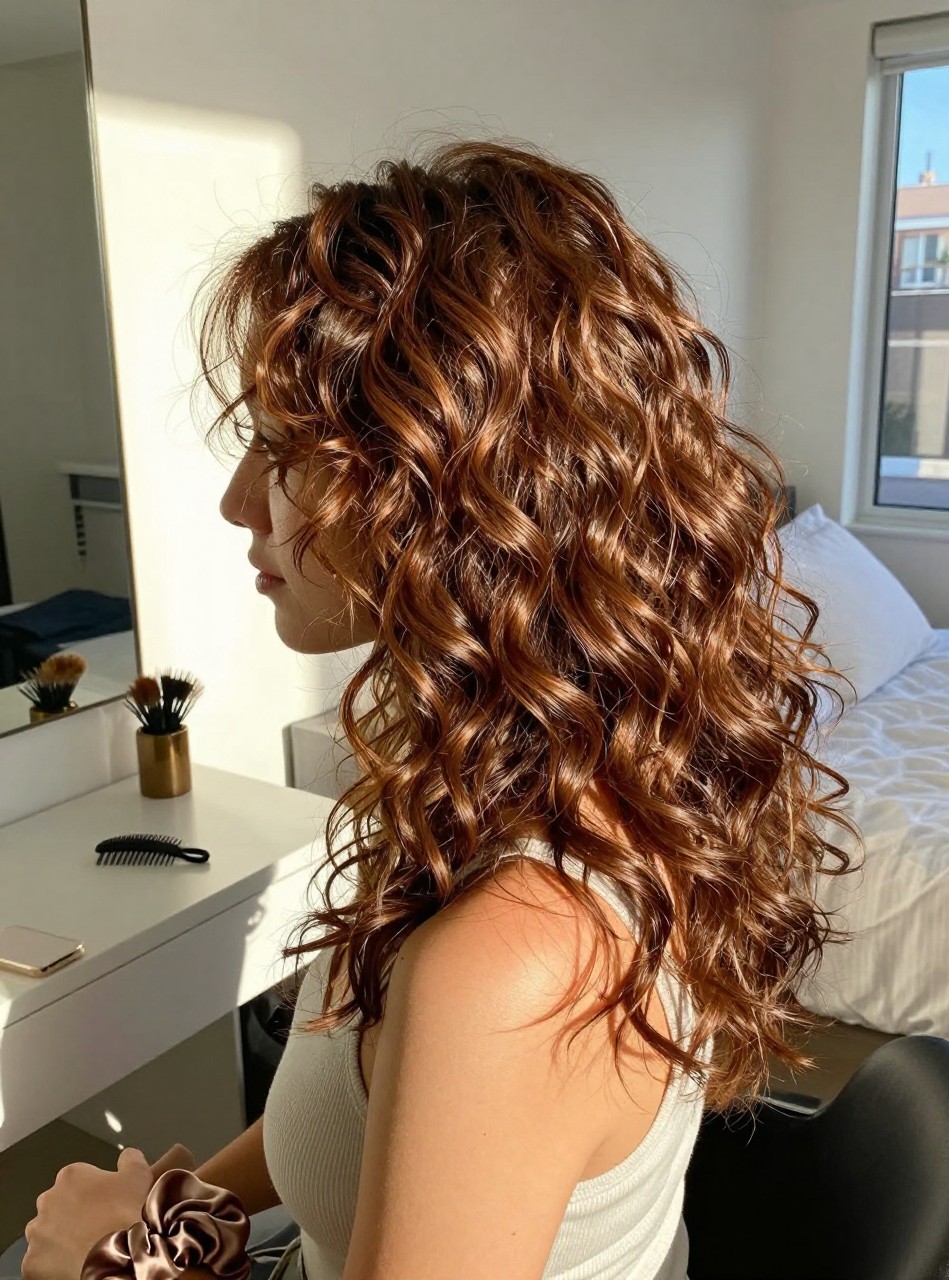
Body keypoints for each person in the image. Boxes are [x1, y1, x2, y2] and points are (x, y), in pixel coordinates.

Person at [11, 137, 861, 1280]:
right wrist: (183, 1210)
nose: (234, 502)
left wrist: (111, 1264)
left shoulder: (515, 957)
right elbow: (357, 1112)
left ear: (451, 489)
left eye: (282, 449)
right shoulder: (540, 768)